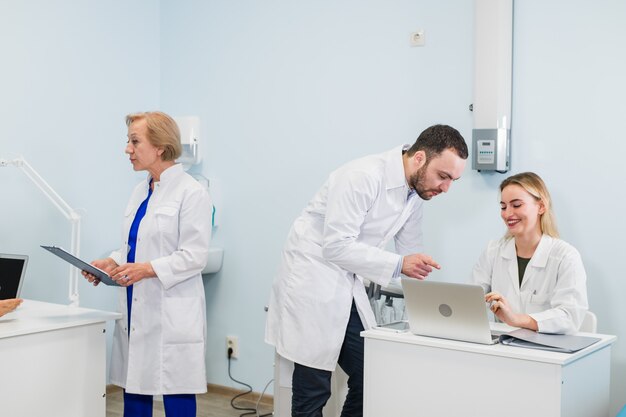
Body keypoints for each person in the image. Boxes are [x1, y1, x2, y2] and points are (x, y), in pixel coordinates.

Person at [265, 124, 468, 417]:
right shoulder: (362, 177)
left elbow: (411, 256)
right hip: (314, 280)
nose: (446, 187)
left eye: (453, 180)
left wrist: (430, 314)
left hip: (347, 285)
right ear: (420, 158)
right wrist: (400, 265)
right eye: (443, 176)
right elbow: (335, 246)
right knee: (314, 389)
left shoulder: (415, 195)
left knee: (371, 377)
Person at [82, 111, 212, 417]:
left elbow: (194, 256)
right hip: (136, 301)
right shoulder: (141, 191)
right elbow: (133, 246)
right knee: (135, 384)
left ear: (160, 146)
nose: (127, 149)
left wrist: (147, 269)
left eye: (134, 141)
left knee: (176, 390)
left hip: (170, 306)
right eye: (128, 141)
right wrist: (110, 263)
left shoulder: (192, 192)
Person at [471, 172, 588, 334]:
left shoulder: (565, 256)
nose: (507, 214)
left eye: (516, 205)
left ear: (541, 207)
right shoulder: (493, 251)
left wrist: (516, 319)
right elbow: (469, 299)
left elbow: (569, 316)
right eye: (503, 206)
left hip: (548, 350)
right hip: (503, 347)